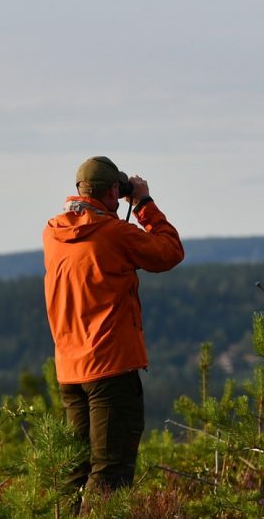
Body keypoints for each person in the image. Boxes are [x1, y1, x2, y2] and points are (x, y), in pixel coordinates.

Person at [43, 155, 184, 500]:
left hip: (70, 373)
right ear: (111, 193)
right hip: (110, 370)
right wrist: (143, 204)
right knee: (110, 472)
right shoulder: (115, 233)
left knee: (77, 471)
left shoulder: (52, 233)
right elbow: (169, 252)